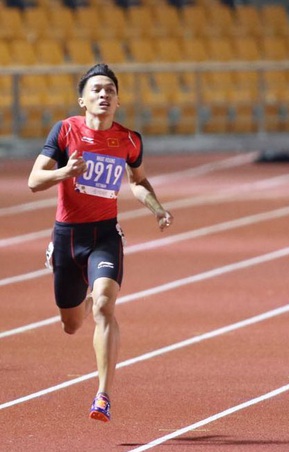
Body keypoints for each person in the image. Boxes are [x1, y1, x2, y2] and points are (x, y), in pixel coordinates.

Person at [27, 63, 173, 422]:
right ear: (83, 100)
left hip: (105, 234)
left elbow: (137, 181)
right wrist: (65, 172)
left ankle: (102, 395)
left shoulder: (129, 140)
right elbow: (34, 180)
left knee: (104, 305)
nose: (103, 95)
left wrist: (157, 208)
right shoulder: (65, 131)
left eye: (110, 90)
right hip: (67, 236)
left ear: (118, 101)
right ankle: (74, 279)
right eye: (96, 90)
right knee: (71, 324)